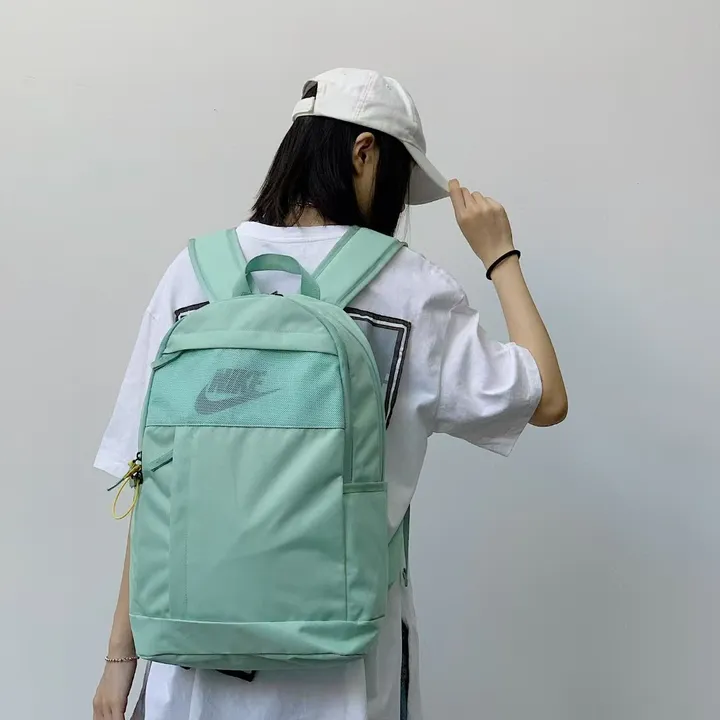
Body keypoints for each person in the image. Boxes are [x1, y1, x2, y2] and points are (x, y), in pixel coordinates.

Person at [92, 68, 567, 720]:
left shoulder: (192, 275)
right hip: (343, 673)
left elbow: (149, 483)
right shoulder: (410, 288)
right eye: (399, 182)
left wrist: (118, 663)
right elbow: (546, 399)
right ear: (363, 152)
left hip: (191, 670)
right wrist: (500, 254)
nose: (397, 206)